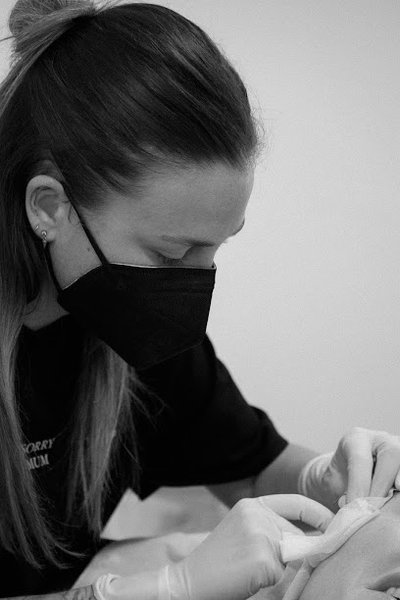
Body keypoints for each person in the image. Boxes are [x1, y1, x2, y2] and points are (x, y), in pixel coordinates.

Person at [0, 1, 399, 599]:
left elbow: (250, 467)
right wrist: (162, 588)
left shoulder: (134, 333)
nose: (193, 281)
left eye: (216, 248)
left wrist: (326, 479)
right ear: (50, 207)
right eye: (171, 254)